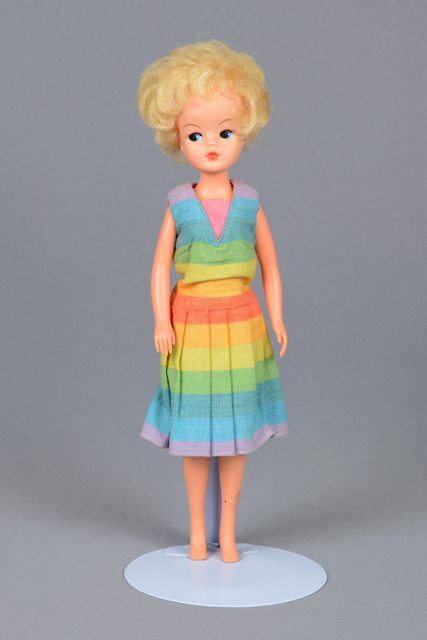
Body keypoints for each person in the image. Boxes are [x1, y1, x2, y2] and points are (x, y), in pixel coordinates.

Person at [136, 40, 289, 563]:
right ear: (176, 137)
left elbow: (270, 265)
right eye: (195, 134)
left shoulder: (250, 202)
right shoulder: (179, 203)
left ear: (246, 130)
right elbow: (159, 266)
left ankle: (229, 528)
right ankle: (198, 533)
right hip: (190, 326)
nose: (211, 145)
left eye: (226, 132)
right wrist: (161, 319)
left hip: (242, 323)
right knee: (194, 432)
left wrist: (278, 317)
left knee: (237, 433)